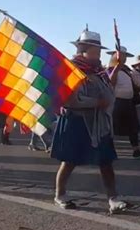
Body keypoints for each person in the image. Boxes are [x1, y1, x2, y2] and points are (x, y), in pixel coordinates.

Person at [51, 30, 128, 213]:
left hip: (98, 122)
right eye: (94, 52)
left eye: (99, 52)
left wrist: (117, 67)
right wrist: (97, 103)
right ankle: (59, 195)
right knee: (69, 161)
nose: (97, 56)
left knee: (106, 161)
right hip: (76, 121)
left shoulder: (99, 71)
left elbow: (109, 86)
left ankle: (113, 198)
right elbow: (69, 100)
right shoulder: (71, 70)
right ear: (82, 50)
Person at [107, 47, 140, 159]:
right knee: (112, 127)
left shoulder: (126, 70)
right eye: (122, 55)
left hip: (128, 102)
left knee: (133, 127)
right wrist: (117, 67)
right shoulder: (111, 70)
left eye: (125, 56)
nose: (124, 58)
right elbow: (111, 83)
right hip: (117, 102)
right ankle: (108, 151)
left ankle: (136, 150)